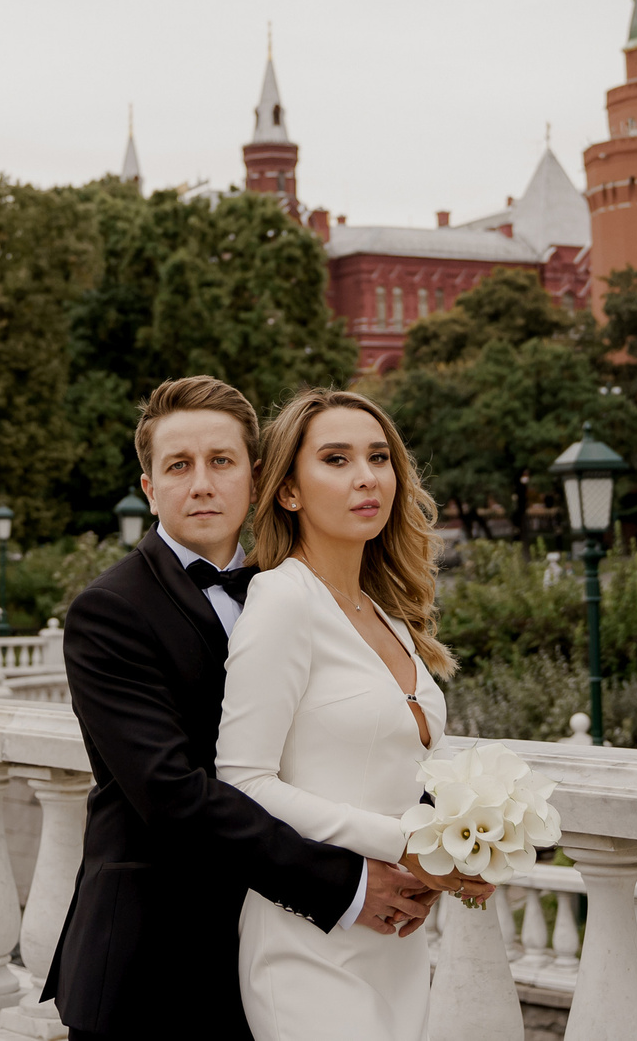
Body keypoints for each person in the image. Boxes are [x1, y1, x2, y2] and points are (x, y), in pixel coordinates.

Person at [44, 377, 447, 1041]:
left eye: (222, 461)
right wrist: (344, 883)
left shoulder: (291, 588)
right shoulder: (110, 611)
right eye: (179, 465)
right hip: (158, 956)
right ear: (148, 487)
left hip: (280, 936)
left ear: (257, 477)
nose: (202, 483)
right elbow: (174, 794)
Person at [216, 388, 487, 1041]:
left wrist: (467, 842)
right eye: (335, 459)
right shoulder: (283, 599)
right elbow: (243, 782)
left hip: (396, 936)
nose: (366, 476)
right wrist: (408, 844)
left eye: (378, 457)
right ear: (288, 491)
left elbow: (398, 766)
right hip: (307, 939)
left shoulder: (388, 613)